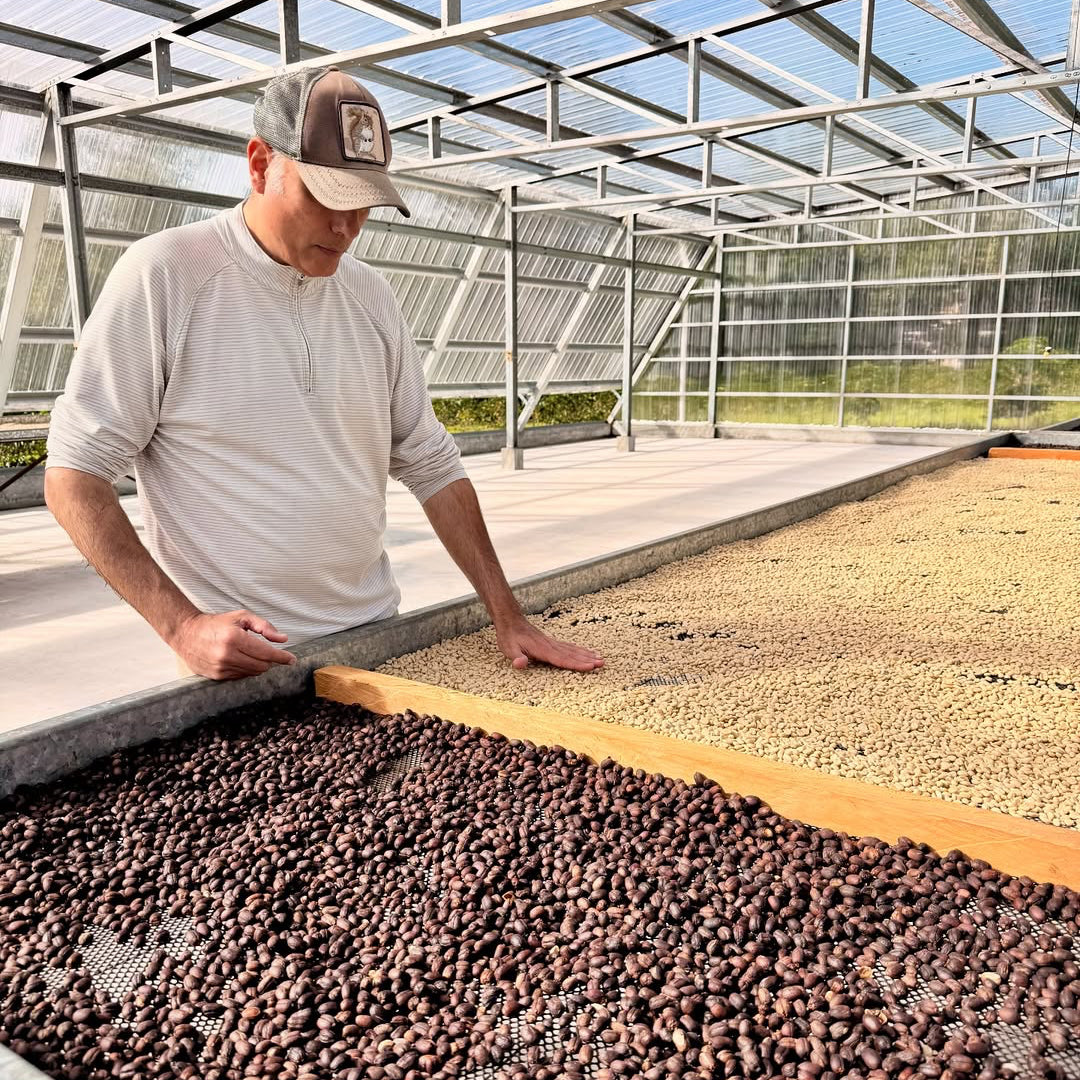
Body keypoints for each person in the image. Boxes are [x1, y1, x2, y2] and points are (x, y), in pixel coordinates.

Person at [44, 66, 604, 681]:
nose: (347, 226)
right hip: (242, 663)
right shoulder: (167, 275)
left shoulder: (372, 297)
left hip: (378, 640)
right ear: (260, 164)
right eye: (325, 197)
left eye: (363, 202)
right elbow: (75, 476)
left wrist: (508, 614)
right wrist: (183, 627)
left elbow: (431, 463)